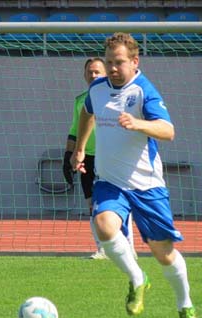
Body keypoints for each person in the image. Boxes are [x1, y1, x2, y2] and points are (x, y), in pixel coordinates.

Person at [71, 32, 198, 318]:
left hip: (147, 186)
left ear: (134, 62)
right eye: (109, 62)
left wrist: (137, 122)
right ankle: (137, 278)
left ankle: (185, 306)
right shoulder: (98, 89)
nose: (112, 69)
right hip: (110, 181)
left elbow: (168, 131)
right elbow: (87, 113)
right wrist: (79, 149)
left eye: (119, 63)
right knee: (103, 224)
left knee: (163, 254)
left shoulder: (144, 91)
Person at [63, 58, 136, 260]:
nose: (93, 75)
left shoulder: (115, 97)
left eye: (97, 72)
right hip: (88, 157)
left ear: (105, 74)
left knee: (117, 201)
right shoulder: (81, 100)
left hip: (112, 156)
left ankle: (128, 246)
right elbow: (74, 130)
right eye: (89, 72)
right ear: (84, 75)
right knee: (92, 204)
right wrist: (68, 155)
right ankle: (102, 248)